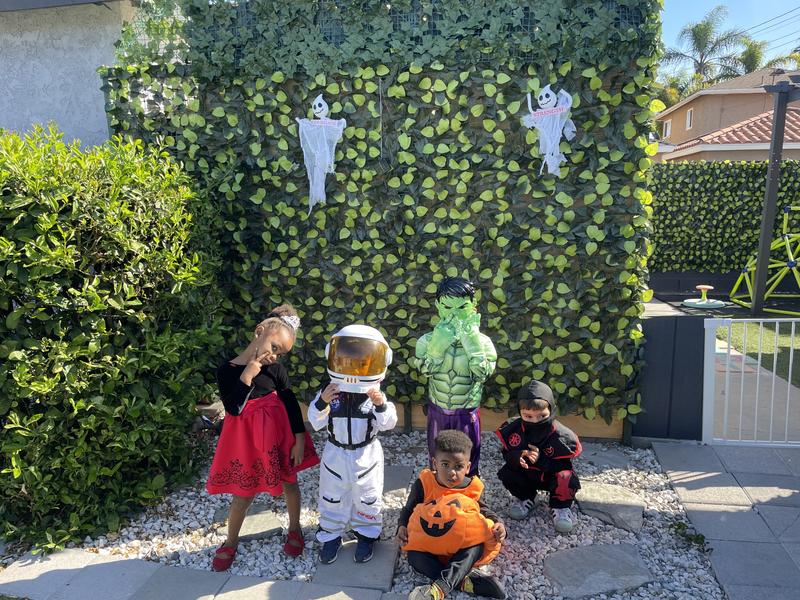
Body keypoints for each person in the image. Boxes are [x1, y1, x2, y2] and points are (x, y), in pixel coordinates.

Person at [206, 305, 320, 571]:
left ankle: (294, 528)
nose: (274, 355)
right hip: (247, 443)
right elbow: (234, 408)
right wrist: (248, 373)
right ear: (260, 332)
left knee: (290, 483)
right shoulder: (227, 371)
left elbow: (290, 404)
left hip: (278, 438)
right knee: (243, 494)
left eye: (280, 353)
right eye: (274, 346)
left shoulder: (276, 371)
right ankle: (230, 541)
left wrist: (299, 437)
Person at [308, 324, 398, 564]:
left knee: (368, 496)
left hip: (366, 453)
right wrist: (322, 402)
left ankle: (366, 535)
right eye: (348, 361)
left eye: (362, 363)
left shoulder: (374, 395)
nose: (354, 369)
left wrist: (379, 404)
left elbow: (389, 423)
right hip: (335, 452)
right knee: (331, 496)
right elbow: (315, 421)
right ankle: (330, 535)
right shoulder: (329, 392)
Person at [398, 430, 506, 600]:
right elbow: (408, 509)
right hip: (430, 546)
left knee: (476, 546)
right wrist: (402, 526)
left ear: (468, 467)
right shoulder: (424, 484)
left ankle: (439, 589)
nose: (451, 472)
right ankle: (462, 582)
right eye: (445, 464)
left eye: (458, 466)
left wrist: (498, 523)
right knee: (413, 556)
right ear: (435, 463)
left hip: (459, 548)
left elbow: (484, 510)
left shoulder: (472, 488)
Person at [414, 277, 496, 476]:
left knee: (468, 454)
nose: (454, 314)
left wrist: (473, 345)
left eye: (462, 307)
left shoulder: (484, 343)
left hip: (466, 411)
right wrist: (437, 347)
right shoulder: (426, 341)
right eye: (447, 307)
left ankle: (469, 488)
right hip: (438, 409)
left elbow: (483, 374)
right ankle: (436, 487)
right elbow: (425, 370)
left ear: (473, 305)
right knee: (436, 453)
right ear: (438, 305)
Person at [495, 380, 582, 533]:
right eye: (528, 416)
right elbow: (506, 454)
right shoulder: (513, 429)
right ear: (520, 412)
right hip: (527, 474)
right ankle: (528, 498)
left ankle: (560, 507)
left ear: (551, 410)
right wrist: (516, 457)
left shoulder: (561, 435)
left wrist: (541, 460)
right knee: (507, 472)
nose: (535, 421)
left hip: (551, 477)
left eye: (542, 416)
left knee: (567, 477)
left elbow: (564, 466)